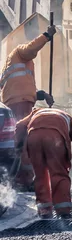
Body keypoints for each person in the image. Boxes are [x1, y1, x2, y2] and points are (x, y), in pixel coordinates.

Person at [1, 26, 56, 190]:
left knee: (21, 140)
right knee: (25, 141)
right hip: (21, 103)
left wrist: (42, 95)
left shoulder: (10, 69)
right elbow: (31, 48)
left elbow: (23, 88)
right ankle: (23, 180)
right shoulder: (19, 53)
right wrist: (47, 35)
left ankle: (21, 178)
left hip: (18, 102)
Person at [15, 107, 72, 219]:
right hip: (55, 138)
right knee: (59, 173)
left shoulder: (35, 113)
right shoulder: (68, 118)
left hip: (33, 138)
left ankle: (44, 209)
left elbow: (19, 126)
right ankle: (63, 211)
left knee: (40, 174)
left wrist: (18, 146)